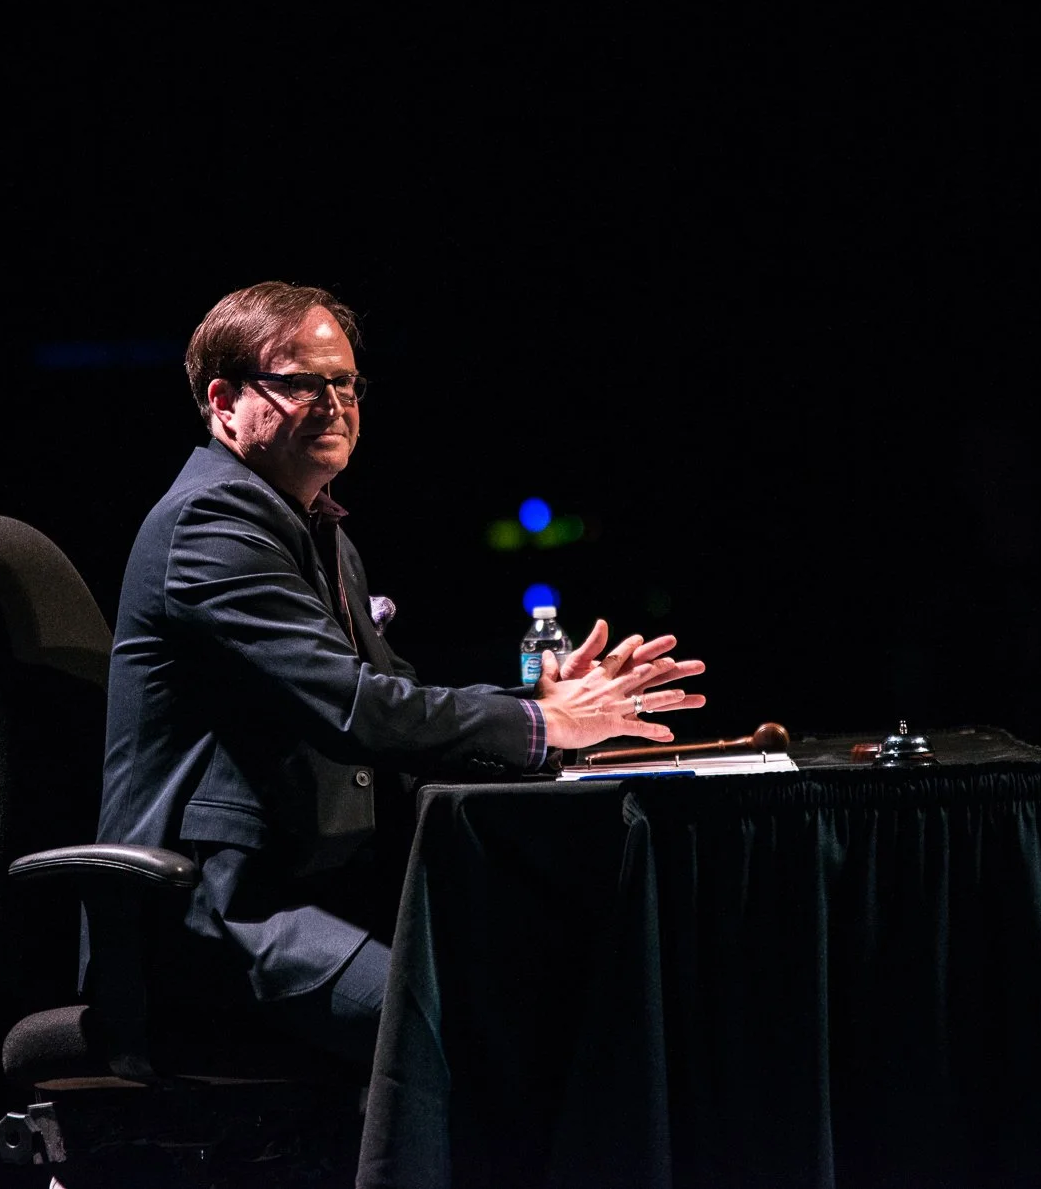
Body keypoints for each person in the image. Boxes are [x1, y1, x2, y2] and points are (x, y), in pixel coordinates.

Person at [97, 281, 707, 1066]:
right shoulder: (211, 522)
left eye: (345, 382)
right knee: (473, 1031)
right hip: (213, 912)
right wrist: (540, 725)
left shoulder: (317, 529)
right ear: (224, 402)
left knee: (560, 971)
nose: (334, 403)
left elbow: (402, 699)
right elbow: (357, 709)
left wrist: (544, 702)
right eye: (301, 383)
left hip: (313, 888)